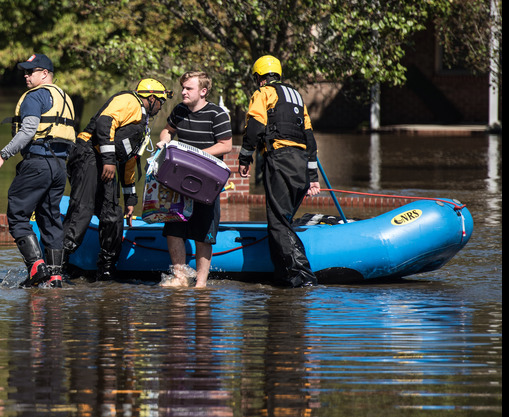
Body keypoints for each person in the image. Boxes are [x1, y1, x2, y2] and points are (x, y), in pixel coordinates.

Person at [62, 78, 170, 280]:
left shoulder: (142, 120)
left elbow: (130, 159)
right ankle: (56, 266)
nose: (161, 107)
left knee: (112, 215)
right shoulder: (129, 101)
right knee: (82, 209)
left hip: (105, 161)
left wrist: (130, 199)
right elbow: (105, 122)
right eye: (161, 102)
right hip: (88, 155)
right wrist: (109, 160)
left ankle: (106, 270)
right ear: (152, 98)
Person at [0, 54, 77, 288]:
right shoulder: (63, 96)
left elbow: (27, 131)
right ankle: (55, 276)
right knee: (50, 219)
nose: (26, 76)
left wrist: (2, 155)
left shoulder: (35, 96)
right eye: (24, 72)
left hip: (37, 162)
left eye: (30, 72)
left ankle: (37, 267)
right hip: (58, 166)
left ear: (44, 74)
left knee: (17, 214)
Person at [237, 55, 320, 288]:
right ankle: (283, 275)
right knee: (284, 218)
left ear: (260, 78)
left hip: (280, 160)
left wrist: (245, 157)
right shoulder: (297, 97)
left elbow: (254, 126)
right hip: (301, 164)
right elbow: (310, 140)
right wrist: (312, 178)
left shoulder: (263, 93)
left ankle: (302, 276)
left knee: (278, 222)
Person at [155, 71, 233, 288]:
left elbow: (226, 145)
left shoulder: (217, 114)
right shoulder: (179, 110)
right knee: (173, 229)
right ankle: (180, 278)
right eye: (183, 88)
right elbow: (166, 131)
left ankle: (200, 284)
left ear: (203, 91)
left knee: (203, 234)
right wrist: (165, 142)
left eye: (189, 88)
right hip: (178, 179)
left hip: (206, 182)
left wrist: (196, 156)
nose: (183, 92)